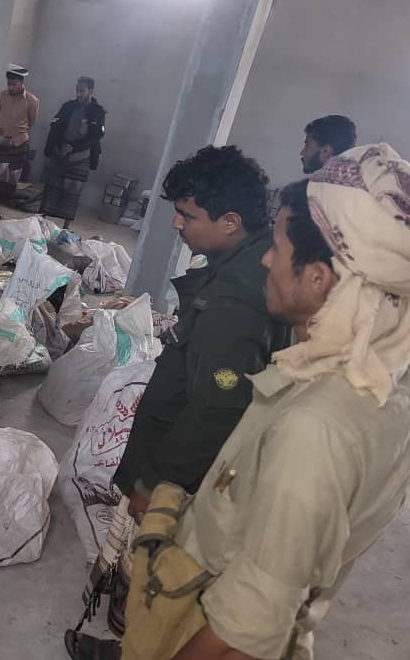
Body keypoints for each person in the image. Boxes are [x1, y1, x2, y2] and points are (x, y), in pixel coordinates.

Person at [123, 144, 410, 660]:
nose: (265, 260)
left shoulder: (315, 425)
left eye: (276, 248)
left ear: (318, 277)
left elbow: (247, 631)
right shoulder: (381, 380)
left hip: (210, 611)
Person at [66, 145, 291, 660]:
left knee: (164, 579)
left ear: (230, 221)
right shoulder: (242, 264)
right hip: (189, 465)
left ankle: (139, 649)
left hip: (187, 477)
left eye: (187, 215)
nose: (175, 224)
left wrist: (157, 485)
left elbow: (216, 409)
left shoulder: (236, 300)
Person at [41, 76, 106, 229]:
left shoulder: (98, 112)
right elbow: (55, 125)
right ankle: (42, 220)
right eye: (77, 90)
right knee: (51, 186)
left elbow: (96, 136)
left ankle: (66, 226)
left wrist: (74, 147)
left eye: (82, 91)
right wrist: (61, 144)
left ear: (90, 91)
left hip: (81, 156)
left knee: (72, 191)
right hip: (60, 151)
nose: (78, 94)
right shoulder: (68, 106)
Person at [0, 65, 40, 218]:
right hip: (0, 141)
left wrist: (16, 137)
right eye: (9, 84)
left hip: (18, 144)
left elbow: (31, 122)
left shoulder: (32, 101)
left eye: (14, 84)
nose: (11, 87)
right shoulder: (0, 97)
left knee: (8, 181)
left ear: (22, 82)